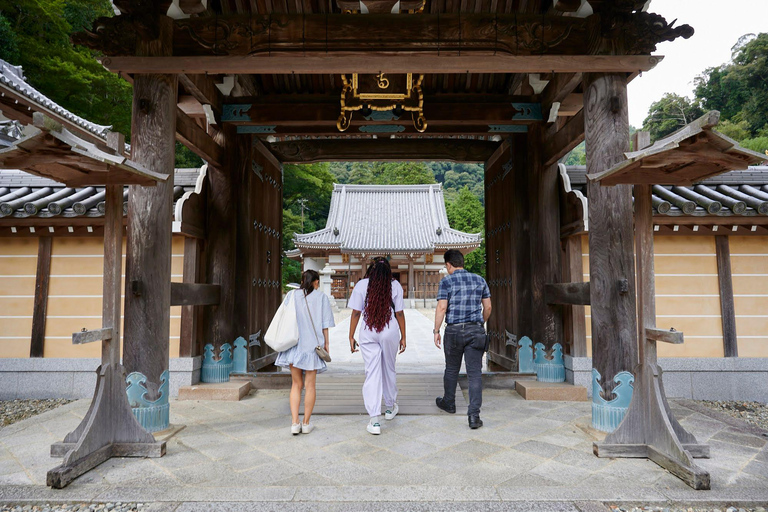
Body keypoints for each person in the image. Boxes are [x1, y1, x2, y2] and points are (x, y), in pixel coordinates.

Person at [433, 249, 492, 429]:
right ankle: (474, 416)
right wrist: (480, 322)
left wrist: (436, 330)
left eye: (446, 266)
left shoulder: (446, 281)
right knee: (474, 373)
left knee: (451, 369)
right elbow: (488, 307)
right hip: (475, 331)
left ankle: (449, 403)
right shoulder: (479, 280)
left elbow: (442, 308)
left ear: (449, 265)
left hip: (454, 331)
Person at [348, 257, 406, 435]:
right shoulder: (394, 285)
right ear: (388, 271)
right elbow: (400, 313)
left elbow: (356, 312)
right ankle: (389, 408)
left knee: (372, 372)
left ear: (371, 270)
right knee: (388, 368)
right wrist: (404, 336)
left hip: (368, 329)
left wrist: (350, 335)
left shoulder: (361, 285)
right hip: (389, 330)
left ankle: (374, 420)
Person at [275, 270, 335, 435]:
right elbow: (325, 324)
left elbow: (283, 317)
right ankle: (306, 423)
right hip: (312, 347)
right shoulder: (321, 298)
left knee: (296, 384)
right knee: (310, 386)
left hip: (294, 345)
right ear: (316, 282)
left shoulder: (292, 295)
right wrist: (327, 344)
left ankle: (295, 423)